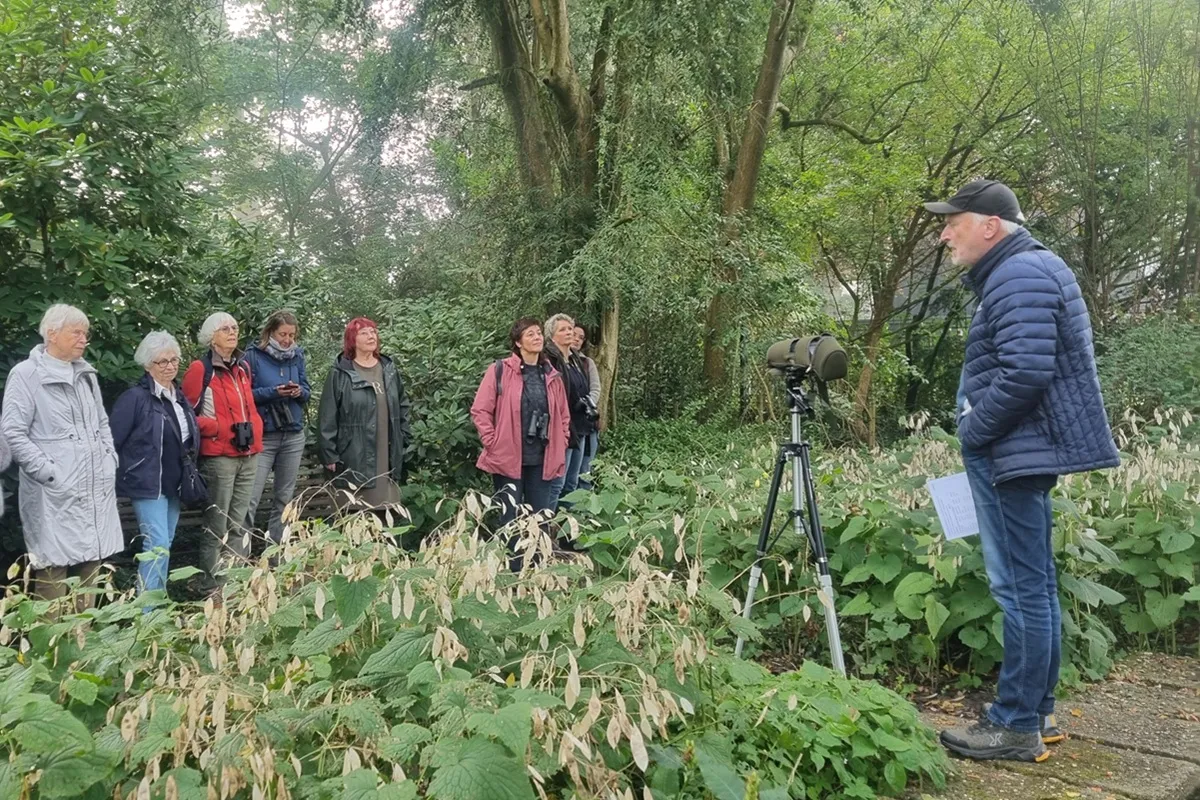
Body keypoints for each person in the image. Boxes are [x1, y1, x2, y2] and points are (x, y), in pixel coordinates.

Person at [924, 180, 1120, 763]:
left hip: (1011, 453)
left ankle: (1014, 724)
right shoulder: (1024, 271)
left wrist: (973, 432)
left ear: (989, 224)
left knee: (1019, 588)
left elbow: (1026, 373)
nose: (943, 233)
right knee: (1032, 585)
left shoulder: (1019, 275)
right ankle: (1037, 713)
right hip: (1020, 451)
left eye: (952, 222)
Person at [0, 304, 122, 608]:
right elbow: (12, 432)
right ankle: (50, 652)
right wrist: (48, 472)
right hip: (53, 491)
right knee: (52, 578)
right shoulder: (26, 375)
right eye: (76, 332)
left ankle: (84, 652)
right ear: (52, 334)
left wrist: (109, 460)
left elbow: (102, 422)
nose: (84, 339)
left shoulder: (86, 374)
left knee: (90, 577)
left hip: (94, 489)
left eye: (86, 333)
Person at [110, 331, 201, 596]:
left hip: (175, 481)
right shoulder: (135, 398)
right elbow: (114, 441)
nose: (170, 366)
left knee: (165, 543)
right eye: (162, 361)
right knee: (157, 545)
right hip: (148, 483)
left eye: (174, 360)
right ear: (148, 365)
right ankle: (148, 612)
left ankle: (152, 605)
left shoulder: (179, 396)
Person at [181, 312, 264, 596]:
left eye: (235, 327)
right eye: (225, 328)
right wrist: (217, 428)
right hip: (219, 457)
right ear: (210, 336)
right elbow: (186, 416)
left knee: (239, 522)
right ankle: (211, 585)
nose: (232, 332)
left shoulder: (242, 368)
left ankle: (236, 584)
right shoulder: (199, 369)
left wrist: (255, 429)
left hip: (248, 454)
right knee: (218, 524)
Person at [470, 317, 570, 532]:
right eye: (530, 334)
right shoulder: (500, 370)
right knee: (510, 519)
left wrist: (562, 441)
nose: (537, 337)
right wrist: (492, 441)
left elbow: (563, 415)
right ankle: (513, 565)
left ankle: (536, 564)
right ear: (518, 342)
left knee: (540, 519)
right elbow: (480, 410)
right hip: (508, 457)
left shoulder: (552, 375)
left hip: (543, 458)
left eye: (539, 333)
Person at [317, 318, 411, 512]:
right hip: (354, 455)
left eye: (373, 332)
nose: (371, 336)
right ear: (352, 340)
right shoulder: (340, 373)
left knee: (387, 515)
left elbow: (403, 406)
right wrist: (330, 455)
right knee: (356, 515)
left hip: (387, 454)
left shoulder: (389, 370)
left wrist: (404, 437)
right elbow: (327, 417)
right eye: (364, 333)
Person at [244, 311, 311, 549]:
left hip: (292, 434)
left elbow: (307, 390)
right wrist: (273, 392)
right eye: (283, 334)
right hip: (264, 436)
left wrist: (298, 392)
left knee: (284, 499)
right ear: (270, 332)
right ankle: (240, 557)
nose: (287, 339)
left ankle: (276, 557)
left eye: (291, 335)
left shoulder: (297, 355)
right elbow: (243, 395)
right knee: (250, 499)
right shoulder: (252, 356)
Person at [543, 314, 591, 508]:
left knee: (572, 483)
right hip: (561, 429)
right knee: (557, 484)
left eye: (570, 329)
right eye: (563, 329)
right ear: (552, 335)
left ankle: (565, 531)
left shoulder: (574, 359)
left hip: (579, 427)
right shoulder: (549, 359)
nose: (569, 332)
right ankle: (545, 529)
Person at [572, 324, 601, 490]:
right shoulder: (554, 360)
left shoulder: (586, 363)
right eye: (573, 334)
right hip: (569, 424)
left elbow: (596, 389)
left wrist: (585, 406)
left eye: (580, 337)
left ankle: (583, 508)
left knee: (585, 469)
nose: (576, 339)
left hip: (587, 424)